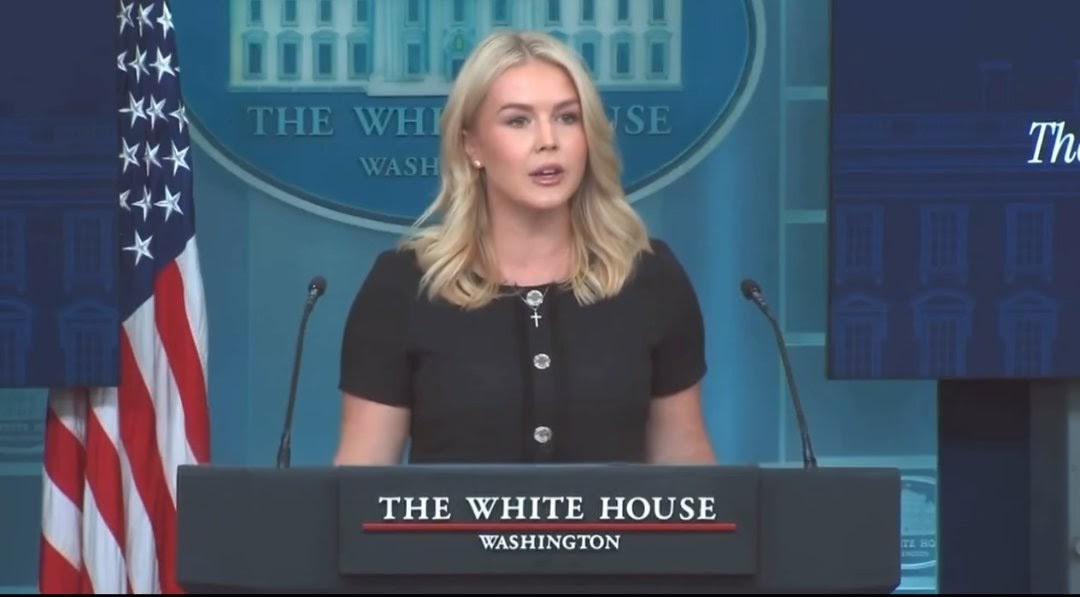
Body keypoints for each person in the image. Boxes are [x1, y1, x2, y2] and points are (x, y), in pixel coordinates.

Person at [334, 29, 715, 466]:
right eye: (518, 121)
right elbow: (360, 483)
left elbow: (690, 478)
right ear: (471, 145)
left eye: (567, 118)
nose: (548, 140)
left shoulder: (650, 276)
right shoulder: (405, 284)